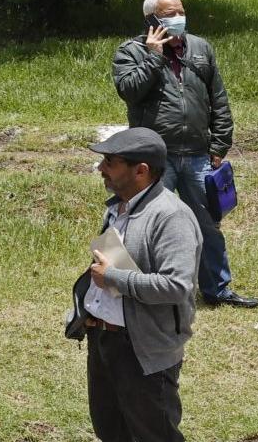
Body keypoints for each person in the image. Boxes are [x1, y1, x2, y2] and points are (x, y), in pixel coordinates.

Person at [112, 0, 257, 309]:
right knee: (139, 222)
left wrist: (219, 144)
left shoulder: (201, 48)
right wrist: (153, 56)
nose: (177, 18)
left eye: (180, 11)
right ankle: (127, 287)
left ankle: (217, 289)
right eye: (168, 14)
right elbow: (130, 92)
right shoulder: (131, 51)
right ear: (151, 19)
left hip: (196, 155)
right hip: (153, 159)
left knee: (207, 224)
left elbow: (218, 99)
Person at [74, 127, 200, 442]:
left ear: (141, 171)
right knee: (111, 430)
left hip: (142, 350)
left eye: (110, 162)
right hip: (105, 341)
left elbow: (176, 285)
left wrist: (114, 278)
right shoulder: (119, 207)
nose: (101, 169)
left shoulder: (171, 217)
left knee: (153, 434)